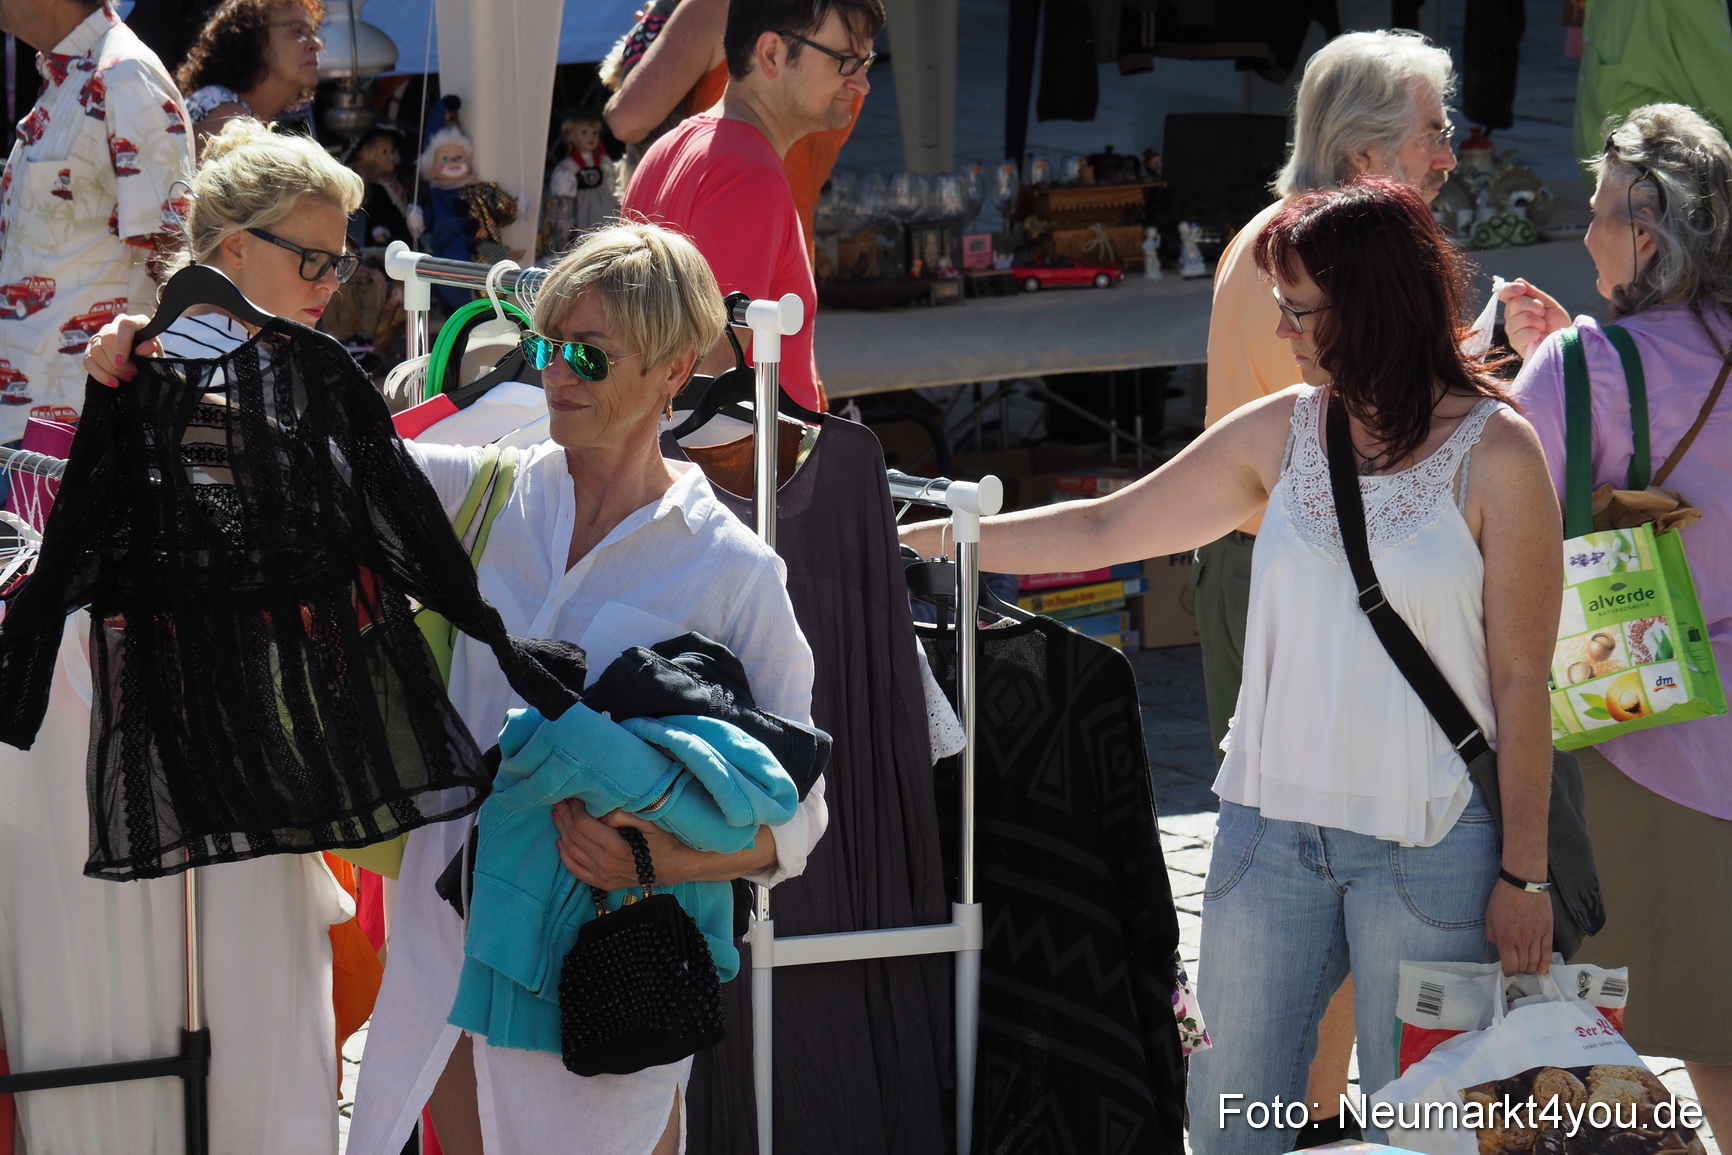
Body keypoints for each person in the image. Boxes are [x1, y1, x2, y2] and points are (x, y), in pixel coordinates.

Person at [904, 178, 1559, 1154]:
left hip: (1433, 844)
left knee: (1422, 1131)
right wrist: (921, 541)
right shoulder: (1284, 428)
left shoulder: (1499, 453)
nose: (1283, 331)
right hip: (1269, 836)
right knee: (1227, 1119)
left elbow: (1521, 681)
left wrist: (1526, 876)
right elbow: (1109, 526)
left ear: (1373, 305)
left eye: (1300, 310)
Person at [26, 117, 363, 1154]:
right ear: (234, 251)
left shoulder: (267, 369)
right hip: (174, 740)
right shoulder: (157, 372)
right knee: (216, 1029)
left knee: (260, 1027)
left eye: (339, 260)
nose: (329, 282)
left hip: (242, 742)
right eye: (311, 258)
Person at [1196, 32, 1460, 1132]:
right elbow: (1373, 427)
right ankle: (1310, 1118)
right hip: (1290, 579)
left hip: (1289, 568)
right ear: (1363, 153)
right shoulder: (1309, 257)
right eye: (1432, 129)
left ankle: (1316, 1115)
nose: (1448, 152)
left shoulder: (1294, 240)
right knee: (1321, 860)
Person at [1498, 103, 1732, 1144]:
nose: (1584, 231)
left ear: (1645, 231)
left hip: (1641, 730)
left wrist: (1542, 366)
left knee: (1639, 1027)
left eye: (1597, 211)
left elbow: (1501, 533)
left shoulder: (1578, 367)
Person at [620, 0, 883, 412]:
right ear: (772, 53)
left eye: (865, 62)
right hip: (749, 451)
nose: (862, 84)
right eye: (845, 61)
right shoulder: (749, 175)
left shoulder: (668, 148)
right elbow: (707, 387)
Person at [0, 0, 194, 442]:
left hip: (82, 426)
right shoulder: (74, 76)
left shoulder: (125, 76)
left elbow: (171, 252)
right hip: (34, 421)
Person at [602, 0, 865, 260]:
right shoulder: (847, 32)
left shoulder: (713, 8)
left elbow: (627, 121)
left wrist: (650, 40)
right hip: (785, 254)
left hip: (701, 255)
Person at [175, 0, 324, 148]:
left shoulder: (233, 109)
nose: (317, 44)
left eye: (314, 33)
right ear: (251, 37)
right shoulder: (226, 117)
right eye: (297, 31)